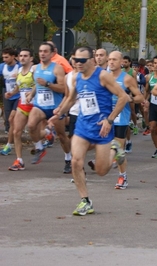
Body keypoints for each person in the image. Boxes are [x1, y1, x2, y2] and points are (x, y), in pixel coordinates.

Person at [48, 46, 130, 215]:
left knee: (101, 171)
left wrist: (110, 119)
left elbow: (123, 97)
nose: (78, 63)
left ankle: (114, 149)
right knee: (76, 161)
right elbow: (71, 98)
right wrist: (60, 113)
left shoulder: (102, 76)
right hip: (83, 126)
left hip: (102, 128)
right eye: (76, 60)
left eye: (82, 60)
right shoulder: (77, 77)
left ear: (91, 60)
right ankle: (85, 201)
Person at [27, 42, 72, 174]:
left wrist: (48, 84)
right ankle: (39, 148)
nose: (42, 53)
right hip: (40, 105)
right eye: (40, 51)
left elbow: (63, 88)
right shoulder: (35, 68)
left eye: (46, 51)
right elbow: (37, 84)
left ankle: (68, 158)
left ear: (52, 54)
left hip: (55, 107)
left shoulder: (57, 68)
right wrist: (31, 93)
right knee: (30, 125)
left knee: (62, 135)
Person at [108, 51, 144, 189]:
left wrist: (131, 99)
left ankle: (122, 176)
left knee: (118, 148)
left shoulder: (127, 79)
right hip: (106, 115)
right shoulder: (104, 77)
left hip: (121, 117)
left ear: (121, 61)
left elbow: (140, 97)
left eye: (115, 60)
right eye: (109, 59)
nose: (111, 62)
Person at [6, 49, 35, 170]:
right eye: (21, 56)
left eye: (25, 56)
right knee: (16, 132)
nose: (22, 58)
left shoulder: (34, 70)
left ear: (31, 58)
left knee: (34, 132)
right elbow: (19, 87)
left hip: (35, 105)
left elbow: (39, 84)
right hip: (22, 104)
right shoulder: (19, 70)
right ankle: (19, 161)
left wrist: (32, 92)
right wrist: (11, 93)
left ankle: (48, 135)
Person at [0, 47, 19, 155]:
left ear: (13, 56)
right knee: (9, 120)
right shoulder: (2, 67)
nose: (4, 59)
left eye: (7, 57)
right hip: (8, 95)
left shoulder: (19, 67)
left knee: (12, 119)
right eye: (3, 57)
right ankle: (11, 143)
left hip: (19, 97)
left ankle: (9, 145)